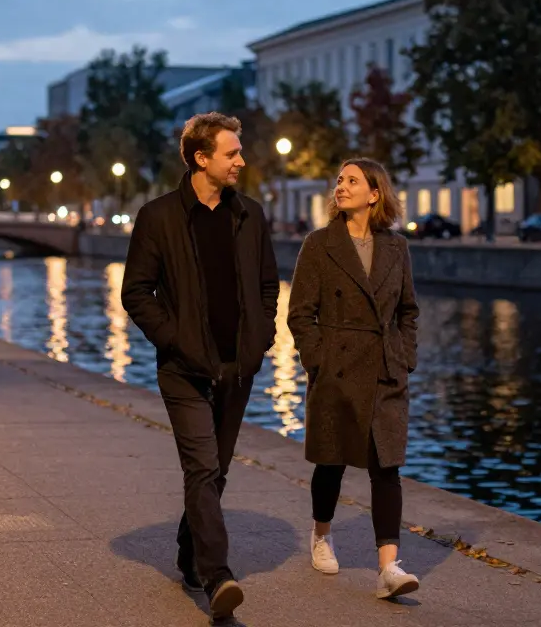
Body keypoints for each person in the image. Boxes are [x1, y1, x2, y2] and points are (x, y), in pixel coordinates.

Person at [120, 112, 278, 622]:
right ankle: (217, 578)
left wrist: (260, 338)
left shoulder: (250, 214)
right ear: (200, 158)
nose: (241, 160)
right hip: (184, 370)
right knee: (203, 467)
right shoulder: (159, 216)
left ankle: (190, 555)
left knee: (217, 472)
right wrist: (175, 340)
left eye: (239, 151)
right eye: (232, 153)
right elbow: (136, 293)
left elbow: (268, 285)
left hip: (237, 368)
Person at [287, 157, 421, 600]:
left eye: (352, 181)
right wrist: (318, 360)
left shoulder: (397, 247)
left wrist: (404, 358)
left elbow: (407, 311)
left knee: (388, 467)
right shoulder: (320, 243)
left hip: (385, 369)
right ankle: (322, 534)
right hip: (337, 370)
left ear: (375, 193)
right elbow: (300, 313)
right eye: (339, 180)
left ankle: (388, 568)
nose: (340, 187)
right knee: (332, 460)